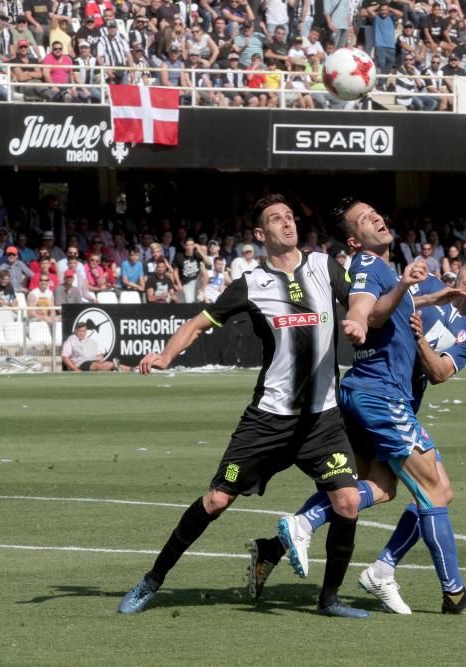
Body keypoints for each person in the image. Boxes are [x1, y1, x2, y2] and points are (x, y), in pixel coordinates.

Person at [248, 197, 466, 617]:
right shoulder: (420, 284)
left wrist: (419, 334)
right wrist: (408, 295)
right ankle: (446, 593)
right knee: (436, 490)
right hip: (380, 397)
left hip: (382, 400)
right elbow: (379, 305)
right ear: (459, 266)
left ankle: (276, 547)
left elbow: (440, 372)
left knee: (379, 488)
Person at [117, 194, 367, 619]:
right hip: (268, 421)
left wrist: (358, 317)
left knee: (347, 502)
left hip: (322, 421)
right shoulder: (251, 284)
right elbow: (198, 322)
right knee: (216, 500)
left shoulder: (324, 266)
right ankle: (151, 581)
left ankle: (330, 600)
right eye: (275, 219)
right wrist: (165, 355)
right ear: (259, 234)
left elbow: (360, 297)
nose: (287, 224)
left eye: (290, 217)